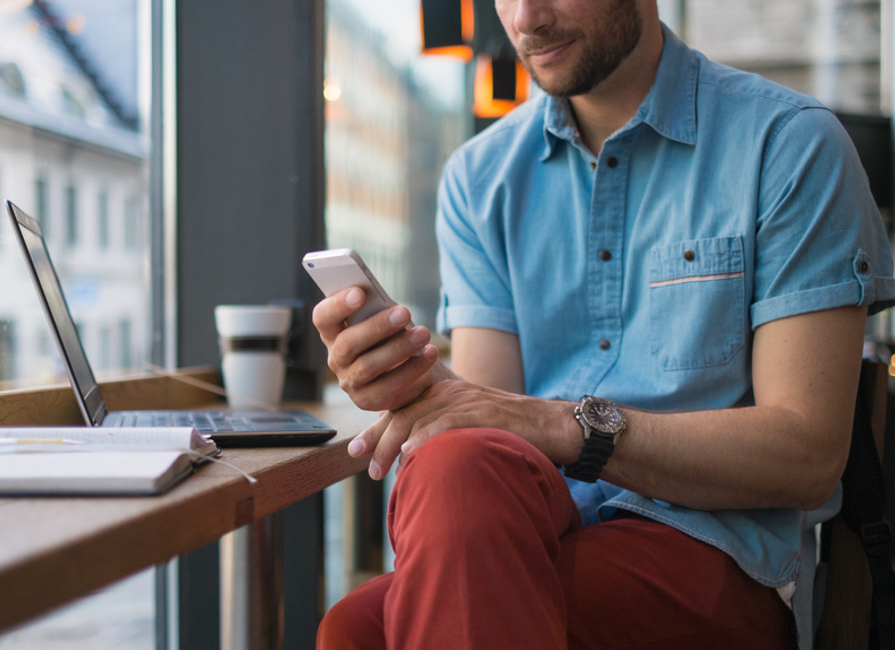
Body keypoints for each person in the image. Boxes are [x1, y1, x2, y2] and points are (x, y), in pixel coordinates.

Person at [313, 1, 895, 648]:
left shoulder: (787, 146)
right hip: (535, 528)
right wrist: (417, 390)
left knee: (364, 631)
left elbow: (807, 457)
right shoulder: (479, 180)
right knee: (412, 530)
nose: (526, 18)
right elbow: (481, 437)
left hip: (711, 554)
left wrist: (564, 426)